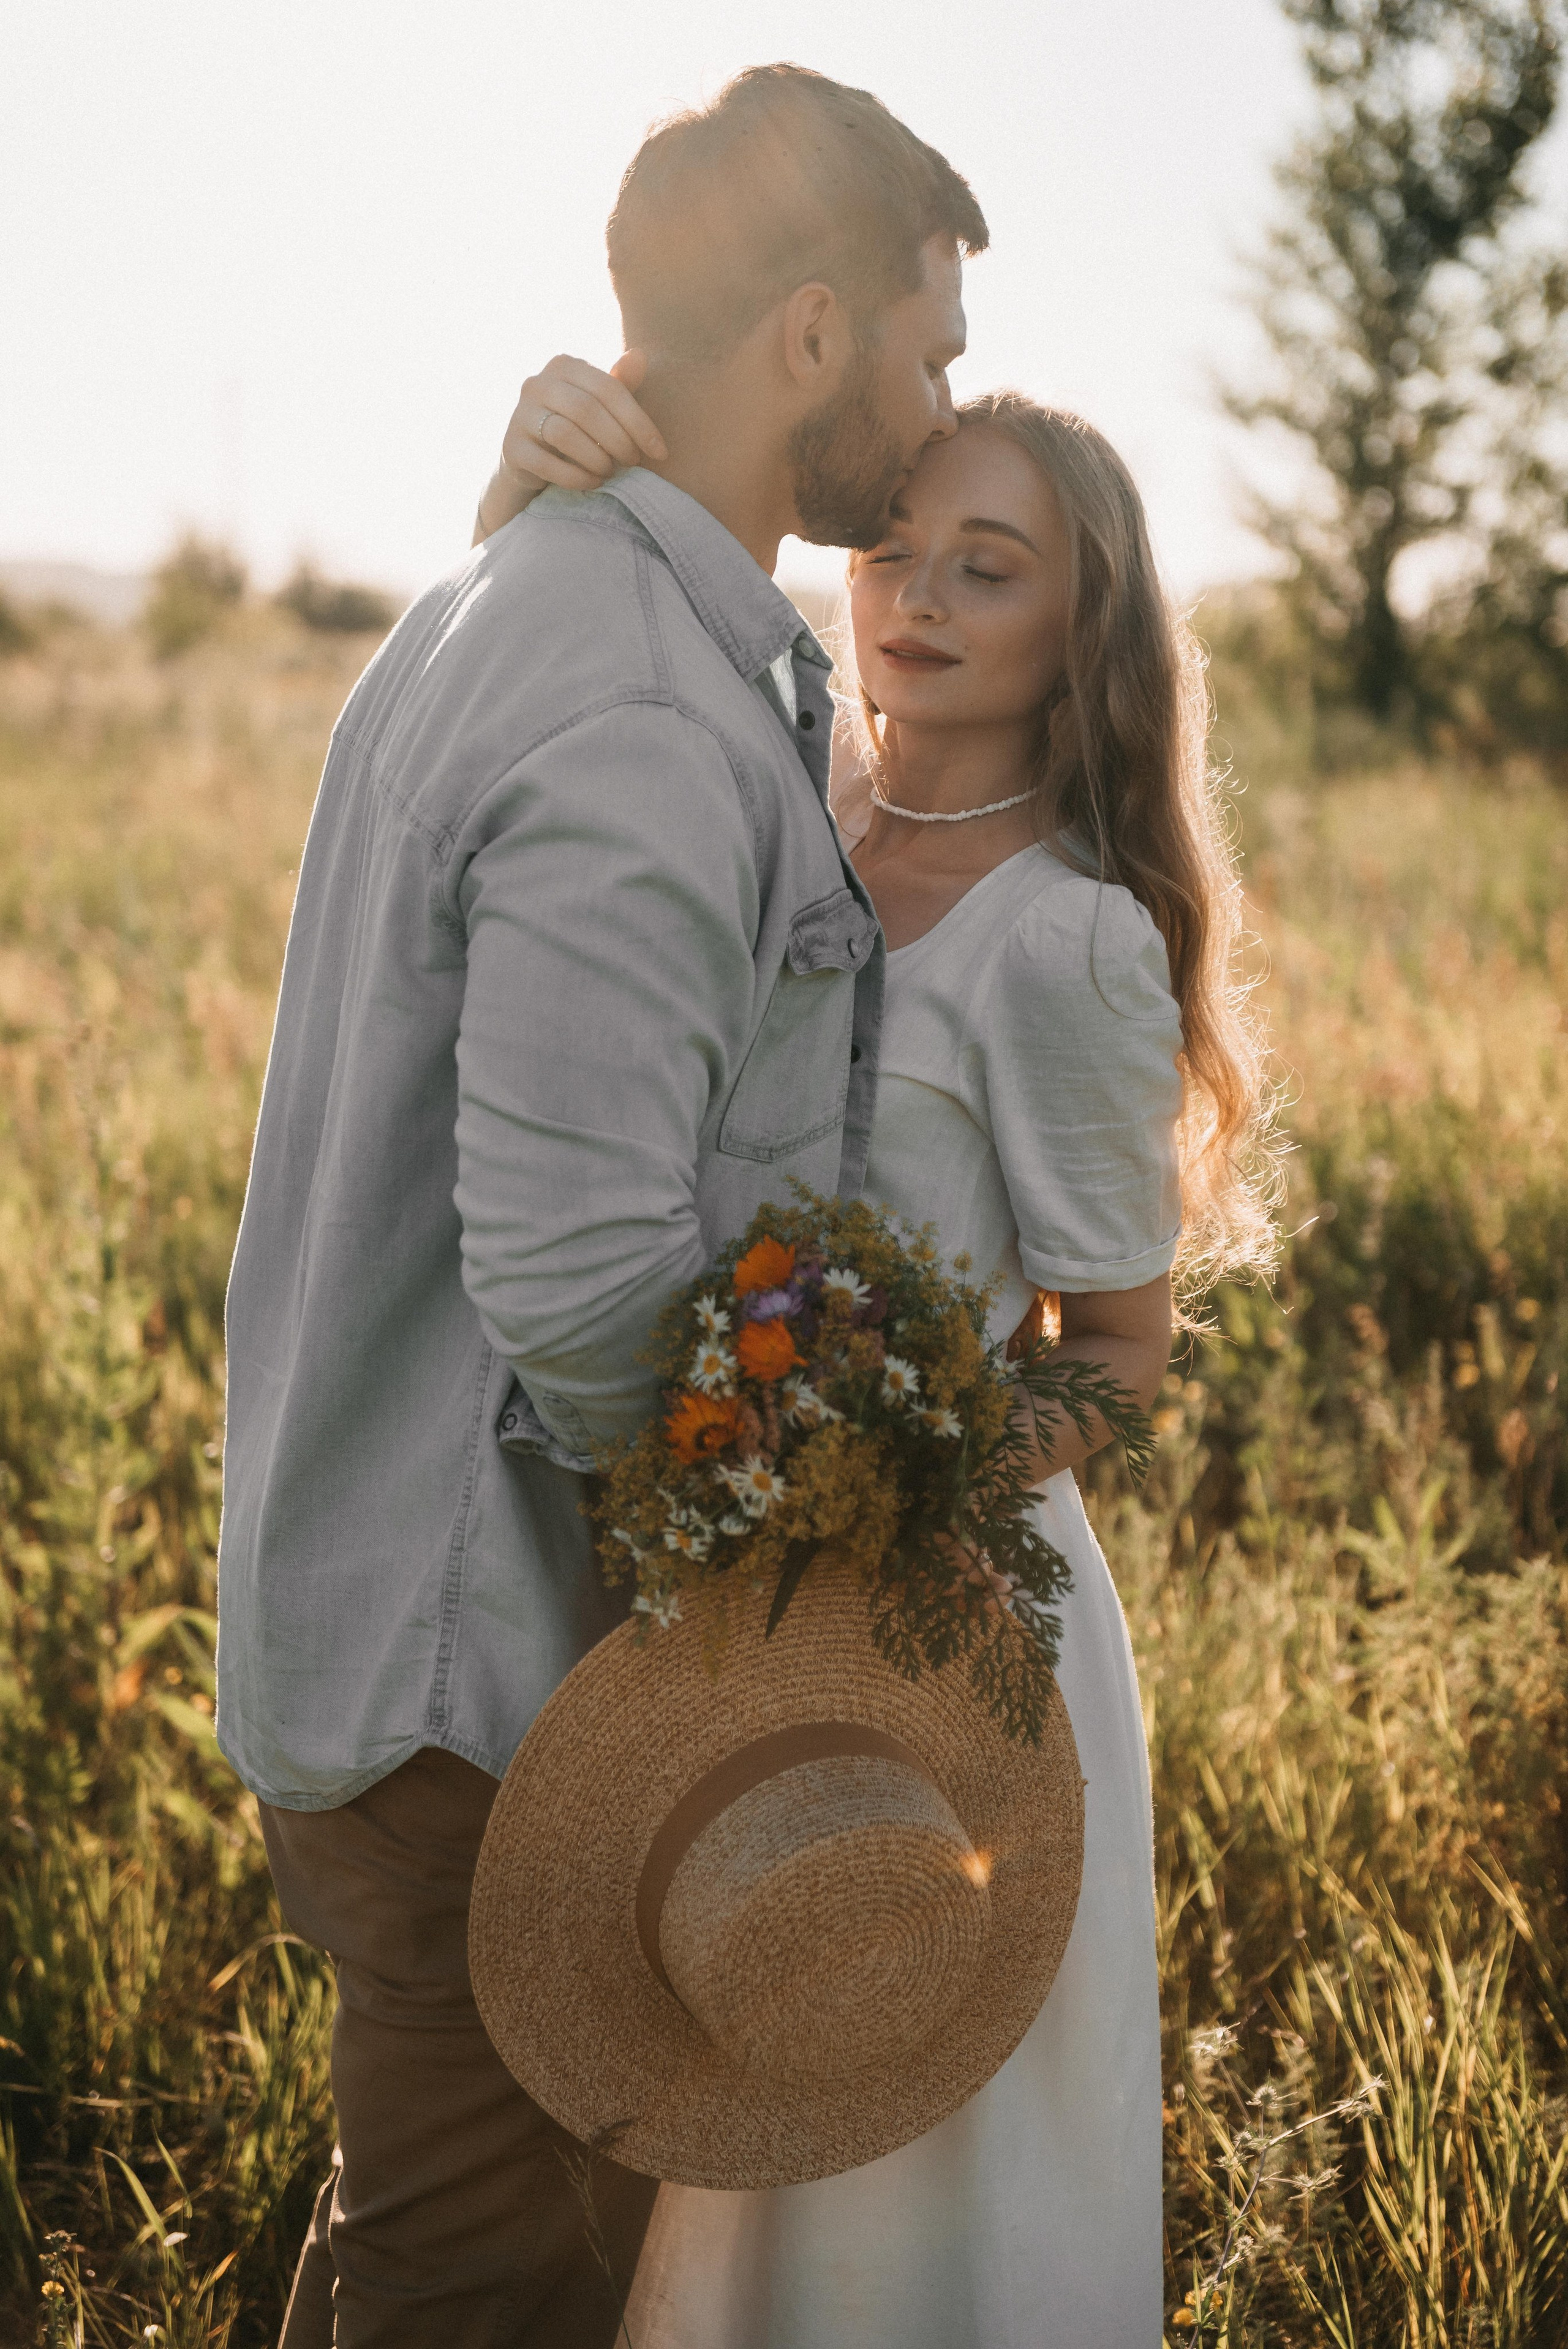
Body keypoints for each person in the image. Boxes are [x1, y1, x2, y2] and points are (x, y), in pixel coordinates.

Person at [214, 66, 989, 2347]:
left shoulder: (511, 596)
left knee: (420, 2237)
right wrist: (801, 1554)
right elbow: (571, 1271)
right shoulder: (644, 700)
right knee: (481, 2294)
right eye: (931, 353)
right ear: (819, 336)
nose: (945, 418)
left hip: (382, 1612)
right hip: (475, 1682)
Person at [470, 361, 1278, 2341]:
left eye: (986, 571)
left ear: (1081, 631)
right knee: (744, 2085)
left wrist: (879, 1503)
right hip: (733, 1584)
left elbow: (1123, 1355)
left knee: (914, 2166)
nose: (912, 598)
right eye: (895, 552)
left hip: (946, 1620)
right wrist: (524, 496)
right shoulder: (790, 788)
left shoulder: (1069, 935)